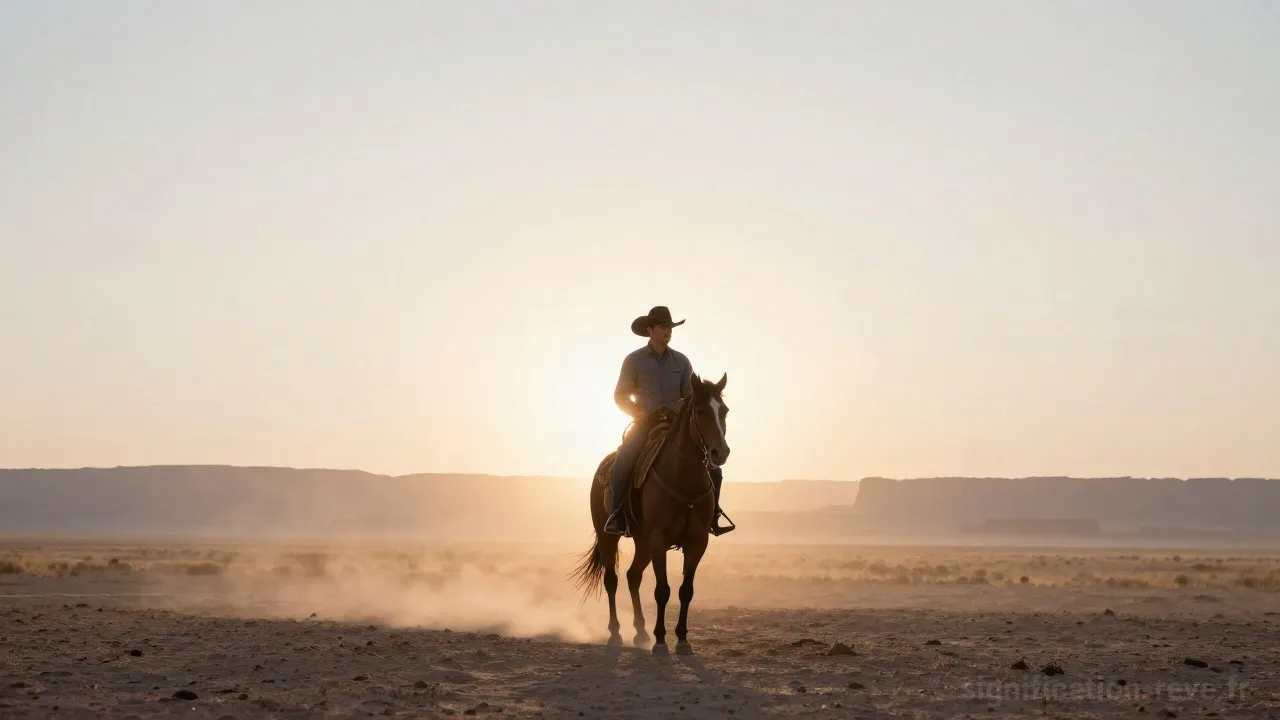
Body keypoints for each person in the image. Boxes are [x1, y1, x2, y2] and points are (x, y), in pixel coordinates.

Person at [604, 305, 734, 537]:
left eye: (670, 327)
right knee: (623, 460)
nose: (668, 331)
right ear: (650, 329)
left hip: (676, 425)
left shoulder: (682, 362)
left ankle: (712, 515)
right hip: (644, 423)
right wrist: (640, 414)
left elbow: (691, 396)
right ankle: (618, 515)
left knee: (712, 466)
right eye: (663, 327)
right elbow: (620, 396)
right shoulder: (634, 361)